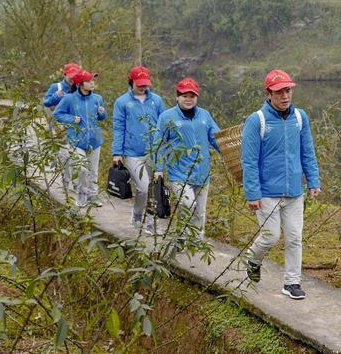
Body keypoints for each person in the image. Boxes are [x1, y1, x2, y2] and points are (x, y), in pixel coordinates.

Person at [241, 68, 321, 300]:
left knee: (295, 237)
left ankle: (292, 283)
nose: (285, 96)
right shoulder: (258, 120)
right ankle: (253, 259)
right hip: (267, 193)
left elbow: (308, 151)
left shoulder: (300, 117)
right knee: (271, 236)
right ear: (268, 94)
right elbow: (249, 160)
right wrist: (252, 193)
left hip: (295, 192)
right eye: (279, 92)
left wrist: (313, 180)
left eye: (288, 91)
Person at [156, 77, 220, 240]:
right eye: (184, 95)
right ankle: (182, 237)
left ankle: (197, 240)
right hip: (179, 173)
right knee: (188, 204)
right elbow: (159, 143)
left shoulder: (204, 115)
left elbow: (216, 138)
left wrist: (229, 152)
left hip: (202, 172)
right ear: (177, 96)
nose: (188, 99)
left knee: (200, 210)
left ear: (197, 97)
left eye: (192, 96)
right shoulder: (167, 117)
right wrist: (158, 169)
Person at [111, 66, 166, 232]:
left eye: (145, 84)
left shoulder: (157, 101)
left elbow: (164, 124)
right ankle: (136, 213)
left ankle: (150, 223)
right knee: (143, 188)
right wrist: (117, 152)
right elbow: (119, 128)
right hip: (131, 153)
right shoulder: (122, 102)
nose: (143, 87)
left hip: (153, 152)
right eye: (139, 84)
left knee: (153, 189)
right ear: (131, 81)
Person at [53, 69, 107, 208]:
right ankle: (82, 195)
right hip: (76, 141)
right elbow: (58, 114)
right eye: (89, 81)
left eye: (93, 80)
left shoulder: (97, 98)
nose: (92, 83)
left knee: (93, 171)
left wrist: (102, 113)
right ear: (80, 84)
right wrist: (71, 119)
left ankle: (93, 196)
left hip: (95, 141)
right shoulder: (69, 98)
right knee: (82, 169)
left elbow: (101, 117)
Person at [43, 63, 80, 192]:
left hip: (76, 126)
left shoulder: (79, 88)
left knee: (76, 155)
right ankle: (65, 182)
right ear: (64, 74)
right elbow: (45, 102)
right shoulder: (56, 87)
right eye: (70, 76)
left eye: (75, 77)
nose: (72, 79)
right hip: (59, 127)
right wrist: (55, 96)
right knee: (64, 156)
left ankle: (76, 184)